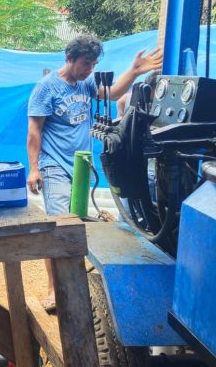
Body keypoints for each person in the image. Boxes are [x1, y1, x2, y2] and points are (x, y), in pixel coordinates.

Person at [26, 34, 162, 312]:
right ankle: (53, 290)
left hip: (81, 164)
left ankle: (72, 285)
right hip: (54, 164)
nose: (89, 69)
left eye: (93, 64)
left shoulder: (86, 83)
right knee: (59, 224)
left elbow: (110, 93)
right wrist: (34, 168)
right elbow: (34, 131)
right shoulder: (46, 87)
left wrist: (134, 71)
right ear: (69, 58)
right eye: (85, 63)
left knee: (74, 225)